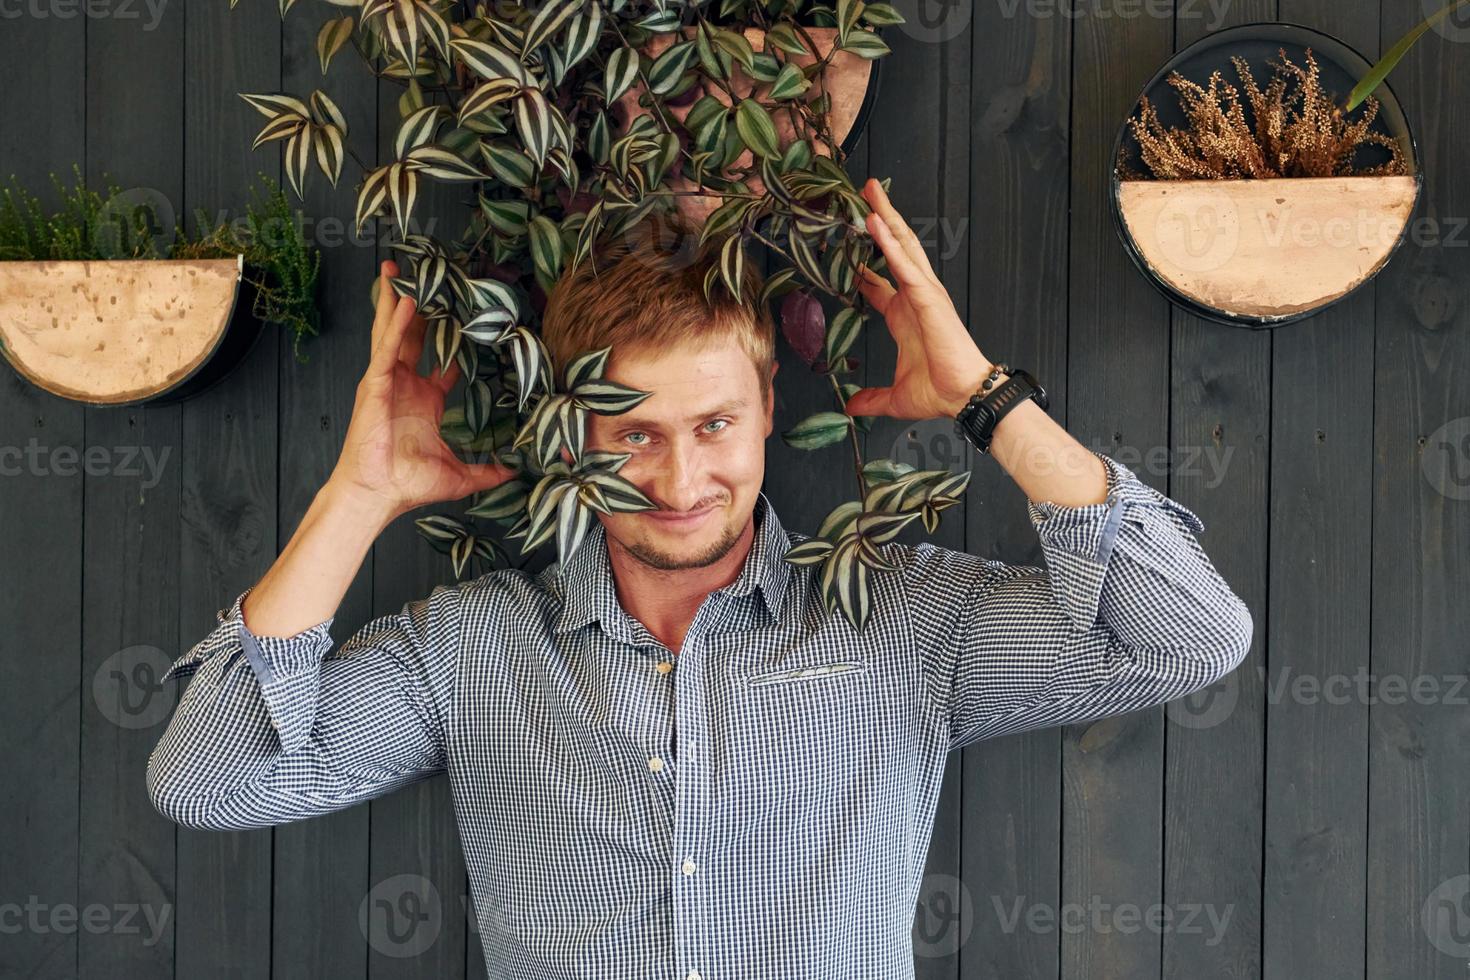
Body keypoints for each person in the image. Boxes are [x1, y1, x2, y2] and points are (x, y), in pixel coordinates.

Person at [146, 178, 1252, 979]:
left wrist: (986, 397)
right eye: (631, 434)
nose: (682, 477)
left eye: (716, 422)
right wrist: (361, 494)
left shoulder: (906, 619)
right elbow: (209, 779)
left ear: (770, 411)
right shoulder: (467, 648)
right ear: (571, 435)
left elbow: (1187, 636)